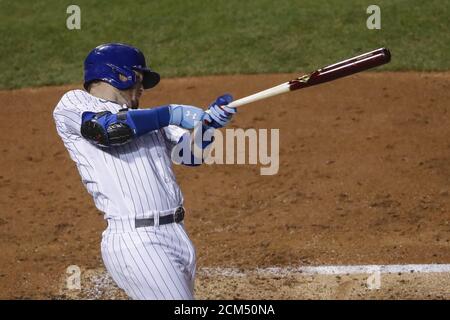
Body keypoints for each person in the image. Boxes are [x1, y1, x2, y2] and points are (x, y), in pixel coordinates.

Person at [53, 43, 236, 299]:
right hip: (138, 242)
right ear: (118, 73)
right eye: (139, 78)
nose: (142, 87)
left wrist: (208, 126)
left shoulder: (143, 118)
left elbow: (190, 155)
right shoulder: (74, 103)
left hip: (176, 237)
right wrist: (170, 113)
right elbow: (105, 130)